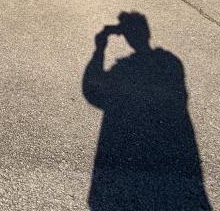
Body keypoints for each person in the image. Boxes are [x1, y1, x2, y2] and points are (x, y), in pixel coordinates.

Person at [82, 12, 211, 210]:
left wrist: (100, 47)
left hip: (124, 154)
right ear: (147, 33)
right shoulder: (171, 62)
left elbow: (93, 93)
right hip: (174, 149)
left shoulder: (124, 69)